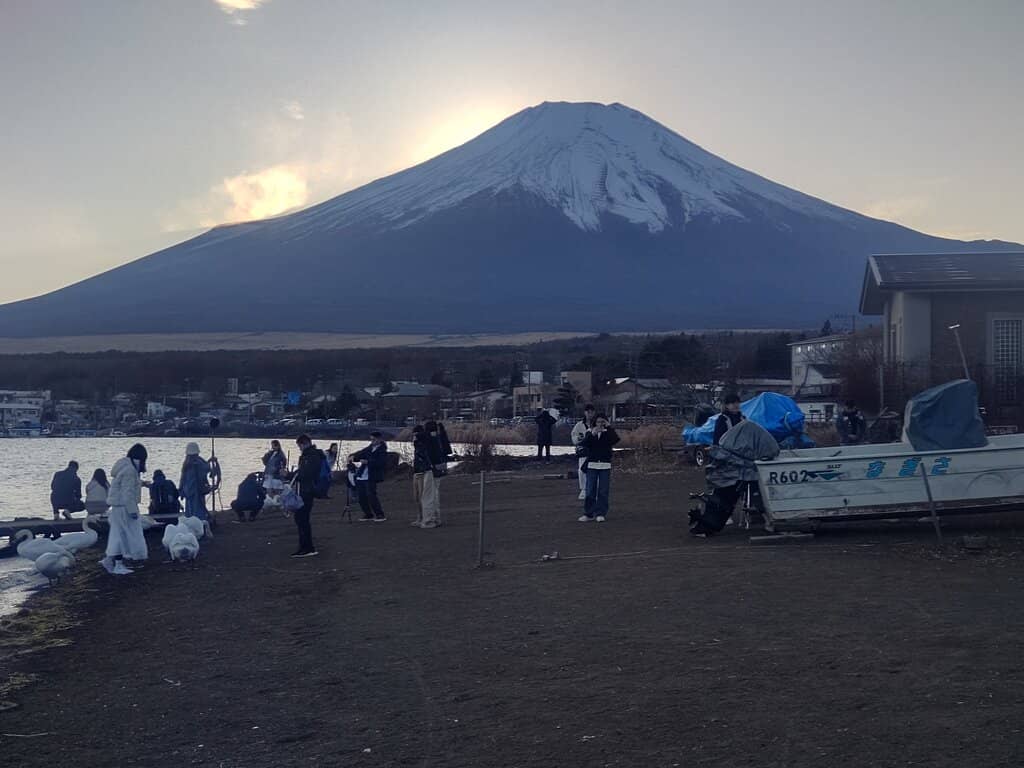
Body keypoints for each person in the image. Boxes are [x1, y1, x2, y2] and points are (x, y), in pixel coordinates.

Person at [101, 444, 149, 575]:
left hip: (118, 507)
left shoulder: (124, 467)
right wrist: (132, 510)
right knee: (123, 536)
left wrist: (140, 483)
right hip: (124, 507)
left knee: (117, 534)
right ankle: (119, 564)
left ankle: (111, 560)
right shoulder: (130, 471)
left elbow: (124, 486)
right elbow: (127, 493)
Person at [578, 414, 619, 523]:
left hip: (605, 465)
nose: (600, 424)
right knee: (590, 490)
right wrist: (592, 434)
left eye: (602, 422)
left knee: (603, 490)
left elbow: (616, 439)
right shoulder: (590, 432)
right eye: (598, 422)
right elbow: (583, 444)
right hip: (592, 464)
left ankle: (600, 513)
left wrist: (609, 427)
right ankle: (589, 513)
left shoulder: (608, 433)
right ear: (595, 423)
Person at [290, 434, 323, 557]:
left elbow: (305, 475)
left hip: (307, 491)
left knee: (302, 519)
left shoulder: (311, 456)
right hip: (306, 490)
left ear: (304, 444)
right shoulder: (311, 456)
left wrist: (289, 475)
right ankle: (305, 546)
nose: (299, 448)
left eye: (300, 446)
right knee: (301, 519)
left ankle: (307, 547)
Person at [412, 423, 445, 529]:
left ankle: (428, 520)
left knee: (427, 496)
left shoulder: (425, 439)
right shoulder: (437, 439)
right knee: (434, 495)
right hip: (436, 469)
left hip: (427, 469)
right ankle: (435, 518)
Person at [351, 431, 388, 522]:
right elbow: (360, 454)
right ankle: (368, 514)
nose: (372, 441)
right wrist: (353, 457)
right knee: (361, 496)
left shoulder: (382, 450)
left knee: (371, 495)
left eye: (374, 439)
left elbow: (381, 463)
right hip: (362, 475)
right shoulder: (369, 448)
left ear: (379, 439)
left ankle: (380, 514)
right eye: (371, 439)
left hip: (372, 476)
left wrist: (368, 462)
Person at [570, 404, 596, 501]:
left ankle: (594, 489)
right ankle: (583, 489)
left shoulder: (597, 424)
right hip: (584, 451)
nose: (590, 414)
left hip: (595, 451)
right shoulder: (579, 425)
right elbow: (574, 436)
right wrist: (579, 439)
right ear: (585, 413)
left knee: (595, 470)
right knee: (582, 470)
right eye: (588, 412)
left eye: (591, 412)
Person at [179, 442, 211, 520]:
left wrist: (181, 490)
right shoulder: (199, 462)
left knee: (190, 511)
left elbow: (182, 479)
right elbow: (207, 469)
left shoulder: (186, 464)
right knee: (198, 512)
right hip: (197, 491)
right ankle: (200, 523)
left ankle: (191, 523)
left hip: (189, 492)